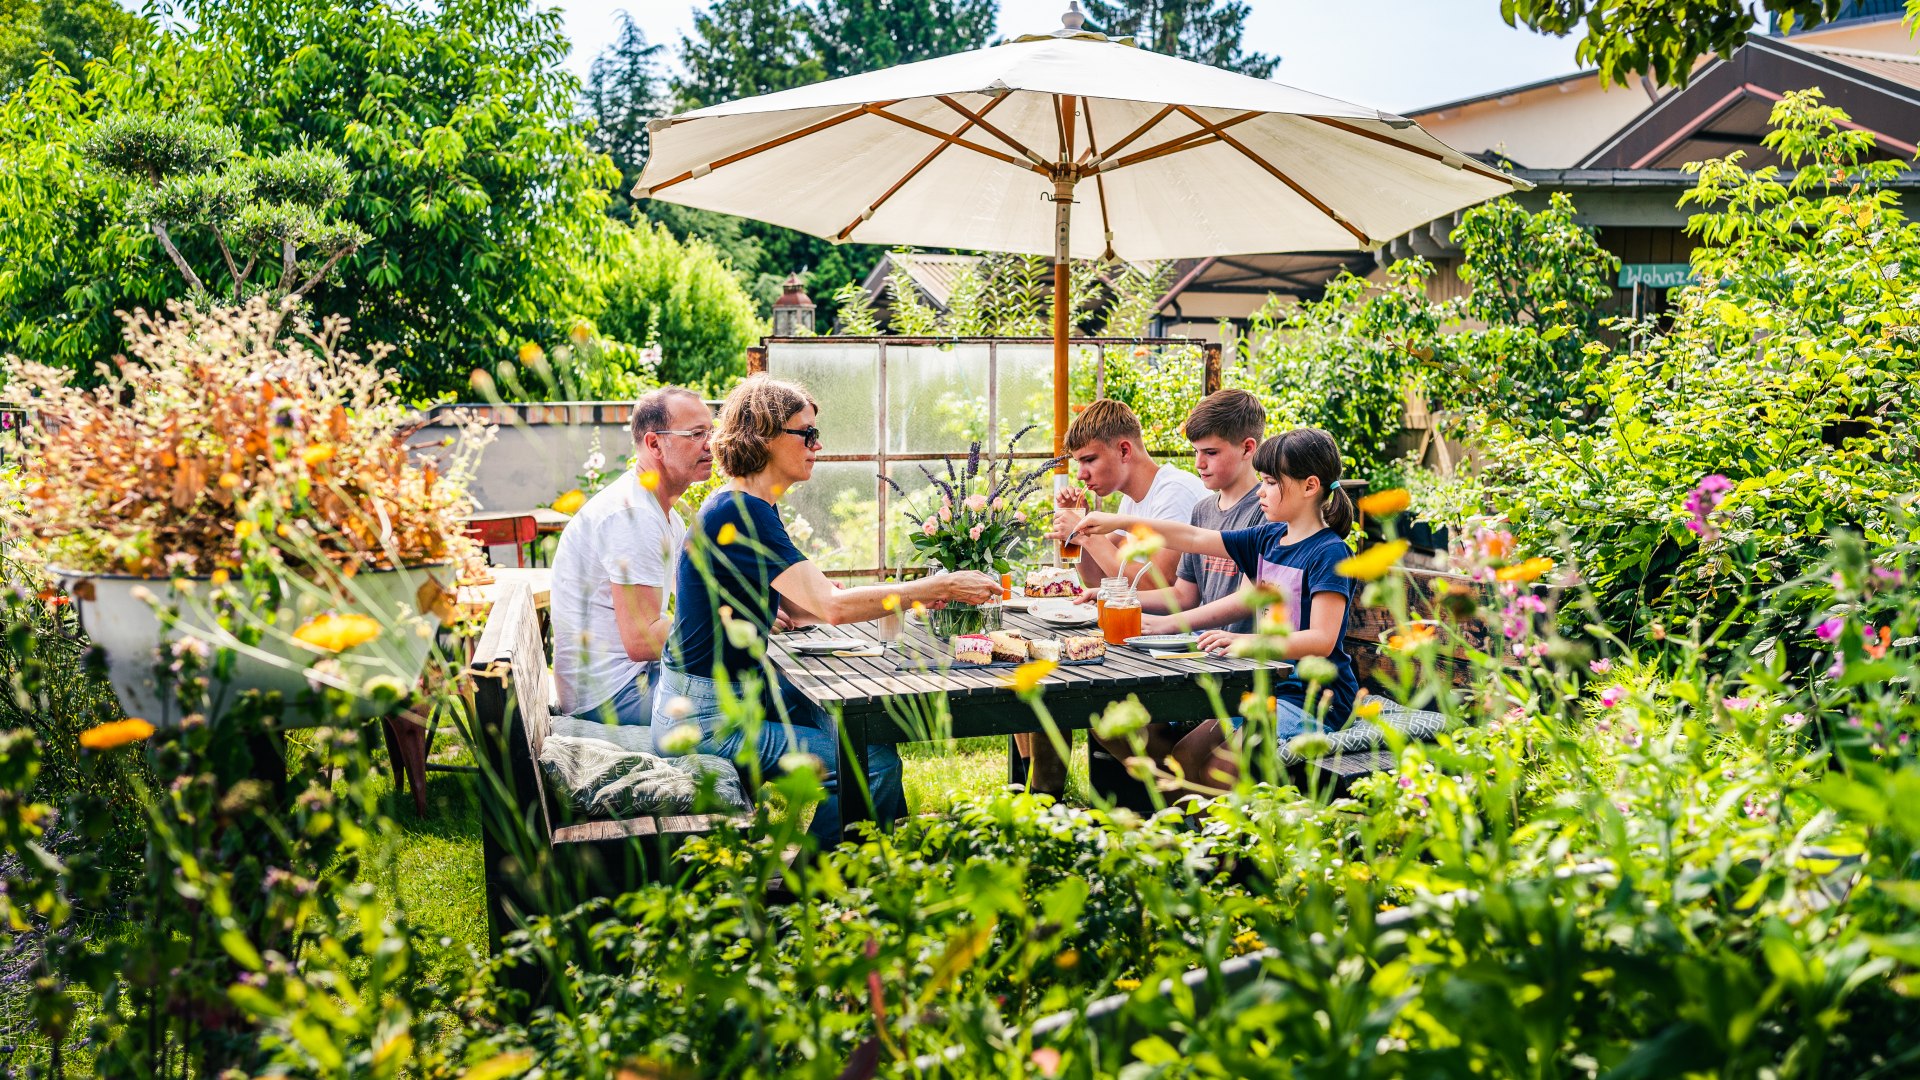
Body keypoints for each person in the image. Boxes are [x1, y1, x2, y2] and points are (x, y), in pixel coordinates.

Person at [654, 374, 1000, 845]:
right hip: (707, 719)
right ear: (765, 434)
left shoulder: (746, 505)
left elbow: (805, 605)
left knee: (858, 724)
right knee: (871, 760)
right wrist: (937, 584)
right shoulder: (741, 512)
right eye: (807, 434)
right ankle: (825, 889)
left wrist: (910, 593)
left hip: (725, 693)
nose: (817, 445)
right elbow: (831, 607)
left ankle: (861, 855)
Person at [1071, 427, 1359, 791]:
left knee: (1219, 768)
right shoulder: (1268, 538)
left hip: (1313, 698)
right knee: (1187, 755)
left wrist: (1245, 643)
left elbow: (1320, 639)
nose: (1260, 491)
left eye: (1270, 482)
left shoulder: (1328, 553)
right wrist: (1121, 522)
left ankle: (1225, 845)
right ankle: (1197, 840)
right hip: (1267, 686)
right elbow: (1192, 538)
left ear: (1309, 486)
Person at [1024, 398, 1207, 796]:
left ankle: (1187, 799)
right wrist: (1083, 535)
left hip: (1182, 642)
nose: (1083, 474)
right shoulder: (1130, 499)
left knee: (1078, 701)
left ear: (1124, 449)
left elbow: (1152, 583)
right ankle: (1042, 802)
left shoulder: (1173, 492)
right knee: (1046, 683)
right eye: (1078, 465)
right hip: (1143, 637)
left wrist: (1088, 533)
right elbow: (1107, 581)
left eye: (1089, 460)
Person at [1091, 389, 1269, 765]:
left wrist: (1169, 623)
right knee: (1112, 726)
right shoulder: (1204, 508)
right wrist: (1111, 599)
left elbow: (1244, 600)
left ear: (1248, 447)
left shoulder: (1264, 511)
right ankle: (1175, 814)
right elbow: (1185, 594)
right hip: (1200, 658)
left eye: (1211, 452)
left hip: (1242, 669)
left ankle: (1190, 816)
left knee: (1185, 753)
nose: (1199, 463)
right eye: (1195, 452)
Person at [550, 386, 714, 727]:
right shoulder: (633, 515)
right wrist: (738, 621)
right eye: (697, 434)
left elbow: (699, 592)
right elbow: (643, 640)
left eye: (711, 433)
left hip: (630, 682)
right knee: (758, 694)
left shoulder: (663, 513)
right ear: (654, 444)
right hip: (611, 697)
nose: (710, 445)